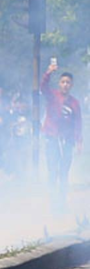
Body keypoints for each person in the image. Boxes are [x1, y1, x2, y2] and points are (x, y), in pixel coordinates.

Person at [41, 61, 82, 211]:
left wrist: (79, 142)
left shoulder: (75, 103)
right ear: (59, 84)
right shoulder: (52, 96)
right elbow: (43, 87)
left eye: (68, 82)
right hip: (52, 138)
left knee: (64, 173)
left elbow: (78, 123)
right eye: (63, 82)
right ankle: (53, 203)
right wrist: (48, 72)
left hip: (67, 142)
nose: (65, 85)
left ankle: (62, 203)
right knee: (53, 171)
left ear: (71, 85)